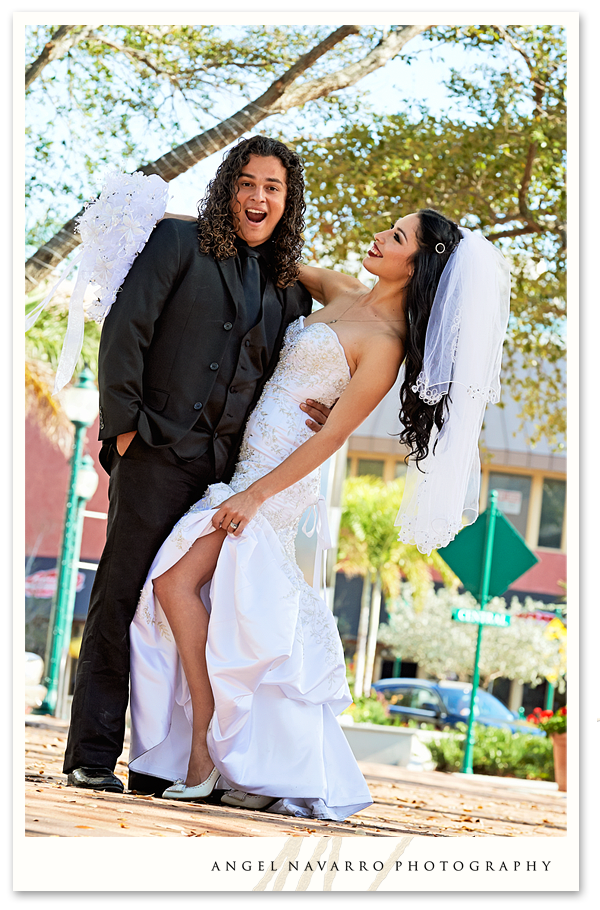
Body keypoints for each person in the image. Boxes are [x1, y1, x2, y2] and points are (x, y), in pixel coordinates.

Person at [126, 207, 510, 820]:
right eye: (390, 227)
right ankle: (237, 750)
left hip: (274, 480)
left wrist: (253, 495)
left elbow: (331, 438)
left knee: (174, 585)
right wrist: (174, 220)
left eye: (398, 236)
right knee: (215, 605)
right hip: (243, 460)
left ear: (419, 265)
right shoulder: (338, 289)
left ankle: (204, 743)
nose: (382, 237)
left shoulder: (385, 347)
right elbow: (265, 253)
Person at [62, 136, 332, 796]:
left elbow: (293, 367)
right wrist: (124, 430)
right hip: (155, 452)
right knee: (121, 599)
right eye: (246, 182)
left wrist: (321, 407)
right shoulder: (177, 244)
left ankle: (163, 765)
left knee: (187, 614)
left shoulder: (288, 288)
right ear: (226, 189)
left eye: (272, 187)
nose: (258, 197)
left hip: (224, 475)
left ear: (287, 200)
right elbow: (127, 329)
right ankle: (92, 756)